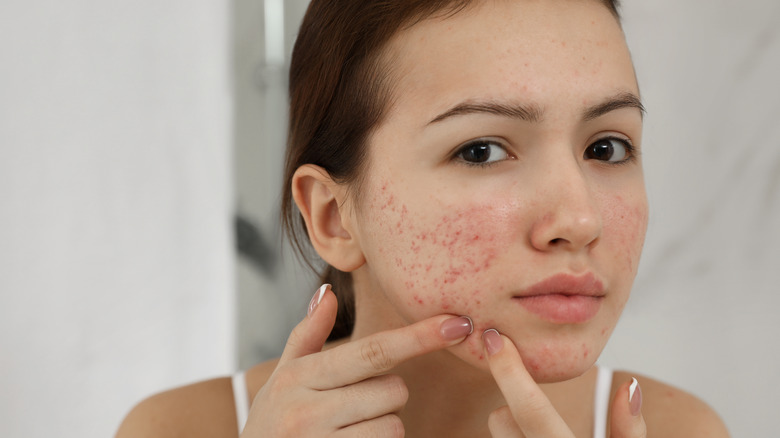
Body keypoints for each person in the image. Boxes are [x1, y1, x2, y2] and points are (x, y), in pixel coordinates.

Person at [117, 0, 731, 436]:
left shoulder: (681, 430)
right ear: (333, 218)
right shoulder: (180, 430)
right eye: (481, 150)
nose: (579, 218)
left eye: (606, 148)